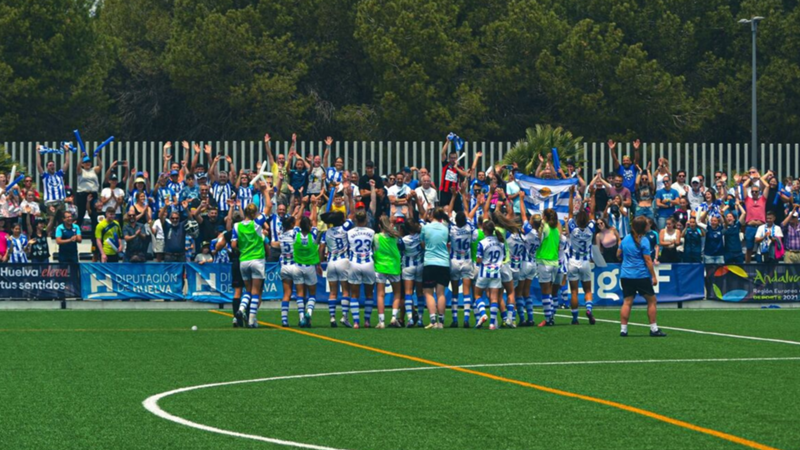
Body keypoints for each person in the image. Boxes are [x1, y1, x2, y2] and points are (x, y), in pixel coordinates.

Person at [617, 216, 665, 337]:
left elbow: (618, 254)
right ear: (643, 227)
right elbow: (648, 260)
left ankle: (623, 329)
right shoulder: (644, 241)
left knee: (627, 302)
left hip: (626, 275)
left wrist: (627, 260)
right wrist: (653, 276)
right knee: (652, 301)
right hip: (640, 275)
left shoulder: (626, 239)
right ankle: (654, 329)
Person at [232, 202, 269, 328]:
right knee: (255, 291)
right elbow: (268, 206)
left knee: (247, 290)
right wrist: (265, 192)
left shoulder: (237, 226)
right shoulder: (256, 224)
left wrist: (242, 250)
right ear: (253, 213)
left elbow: (233, 245)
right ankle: (252, 320)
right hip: (257, 260)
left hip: (244, 260)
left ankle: (241, 309)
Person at [320, 209, 354, 327]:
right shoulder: (344, 229)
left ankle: (332, 318)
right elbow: (352, 214)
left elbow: (321, 248)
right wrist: (349, 197)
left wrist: (320, 262)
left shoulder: (327, 232)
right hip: (343, 260)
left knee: (333, 292)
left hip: (331, 262)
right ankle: (344, 316)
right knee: (345, 291)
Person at [567, 186, 596, 325]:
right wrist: (593, 195)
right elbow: (593, 213)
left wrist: (571, 195)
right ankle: (589, 309)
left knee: (573, 291)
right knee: (588, 289)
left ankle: (574, 318)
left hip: (573, 261)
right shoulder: (590, 229)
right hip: (585, 262)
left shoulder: (573, 228)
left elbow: (570, 212)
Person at [448, 183, 476, 327]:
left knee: (454, 292)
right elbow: (467, 210)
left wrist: (453, 197)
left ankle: (454, 319)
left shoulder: (452, 229)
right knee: (466, 292)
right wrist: (464, 195)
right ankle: (466, 319)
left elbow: (448, 213)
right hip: (466, 261)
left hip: (454, 261)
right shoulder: (470, 228)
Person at [420, 207, 451, 329]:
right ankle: (441, 322)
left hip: (430, 262)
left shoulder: (426, 227)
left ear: (431, 215)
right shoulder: (445, 228)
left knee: (428, 293)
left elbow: (422, 243)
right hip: (444, 263)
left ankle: (433, 321)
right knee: (441, 293)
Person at [398, 193, 425, 327]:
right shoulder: (421, 234)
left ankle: (409, 318)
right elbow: (422, 217)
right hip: (420, 265)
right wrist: (415, 204)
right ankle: (420, 319)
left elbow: (400, 250)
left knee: (408, 292)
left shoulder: (403, 240)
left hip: (407, 266)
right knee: (420, 292)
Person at [346, 209, 377, 329]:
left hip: (354, 263)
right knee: (369, 294)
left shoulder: (349, 232)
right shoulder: (371, 232)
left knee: (354, 294)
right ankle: (367, 321)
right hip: (368, 263)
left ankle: (356, 322)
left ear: (355, 220)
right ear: (366, 219)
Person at [294, 198, 322, 328]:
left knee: (300, 294)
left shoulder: (296, 235)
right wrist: (314, 206)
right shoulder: (313, 235)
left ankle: (301, 318)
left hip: (297, 266)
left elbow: (297, 220)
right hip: (310, 267)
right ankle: (309, 312)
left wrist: (303, 205)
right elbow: (315, 221)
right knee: (312, 294)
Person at [474, 219, 506, 330]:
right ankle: (492, 324)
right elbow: (504, 258)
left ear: (484, 230)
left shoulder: (482, 243)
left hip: (484, 272)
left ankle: (483, 314)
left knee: (477, 295)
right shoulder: (501, 242)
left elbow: (478, 260)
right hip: (496, 272)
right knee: (494, 298)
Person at [374, 216, 403, 328]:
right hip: (394, 267)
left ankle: (381, 321)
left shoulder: (376, 237)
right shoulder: (395, 236)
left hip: (380, 267)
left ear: (379, 226)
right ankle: (394, 318)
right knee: (397, 293)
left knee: (380, 295)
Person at [536, 208, 561, 327]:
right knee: (552, 292)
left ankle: (548, 319)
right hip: (555, 263)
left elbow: (538, 241)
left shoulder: (544, 227)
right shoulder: (556, 230)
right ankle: (552, 317)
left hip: (544, 262)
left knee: (545, 292)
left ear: (545, 217)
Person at [742, 172, 771, 263]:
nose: (754, 193)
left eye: (756, 191)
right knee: (749, 249)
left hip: (761, 227)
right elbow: (743, 186)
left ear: (759, 192)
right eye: (752, 191)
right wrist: (751, 178)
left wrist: (759, 178)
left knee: (762, 248)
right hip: (750, 227)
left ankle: (761, 267)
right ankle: (747, 266)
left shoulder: (762, 199)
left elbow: (767, 186)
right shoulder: (747, 199)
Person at [36, 146, 69, 210]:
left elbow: (67, 163)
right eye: (50, 165)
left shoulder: (59, 174)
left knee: (61, 219)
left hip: (60, 202)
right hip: (50, 203)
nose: (52, 166)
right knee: (52, 218)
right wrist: (38, 152)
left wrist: (67, 151)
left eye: (53, 165)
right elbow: (39, 165)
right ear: (47, 167)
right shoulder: (45, 176)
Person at [76, 155, 102, 234]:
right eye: (85, 162)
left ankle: (94, 231)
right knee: (81, 213)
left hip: (93, 193)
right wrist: (81, 158)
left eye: (89, 162)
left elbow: (101, 166)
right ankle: (77, 231)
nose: (88, 163)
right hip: (82, 194)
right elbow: (77, 168)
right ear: (82, 164)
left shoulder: (93, 170)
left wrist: (97, 156)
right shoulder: (81, 171)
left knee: (93, 213)